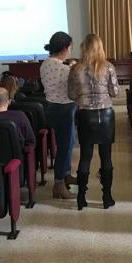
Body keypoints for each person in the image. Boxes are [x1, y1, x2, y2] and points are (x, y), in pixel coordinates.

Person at [68, 34, 119, 210]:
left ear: (83, 48)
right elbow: (115, 92)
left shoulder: (75, 69)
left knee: (85, 156)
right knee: (106, 157)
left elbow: (71, 95)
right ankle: (107, 197)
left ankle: (81, 198)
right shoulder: (109, 67)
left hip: (85, 115)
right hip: (105, 115)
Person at [40, 31, 78, 200]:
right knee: (64, 147)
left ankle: (66, 174)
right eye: (70, 47)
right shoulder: (66, 70)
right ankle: (59, 184)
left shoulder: (45, 65)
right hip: (65, 109)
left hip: (50, 107)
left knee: (67, 144)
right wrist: (73, 68)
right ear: (65, 48)